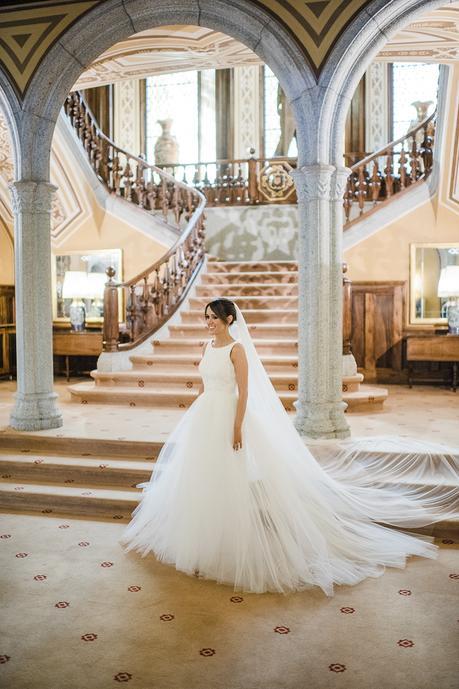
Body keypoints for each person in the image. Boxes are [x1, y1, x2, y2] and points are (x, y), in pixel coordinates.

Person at [120, 298, 458, 595]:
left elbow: (244, 391)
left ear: (229, 321)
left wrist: (237, 426)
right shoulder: (205, 347)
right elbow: (203, 385)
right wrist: (194, 413)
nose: (208, 322)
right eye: (206, 317)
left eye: (213, 318)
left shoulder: (237, 350)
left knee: (227, 478)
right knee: (199, 478)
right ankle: (197, 543)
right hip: (205, 415)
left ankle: (227, 546)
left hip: (228, 416)